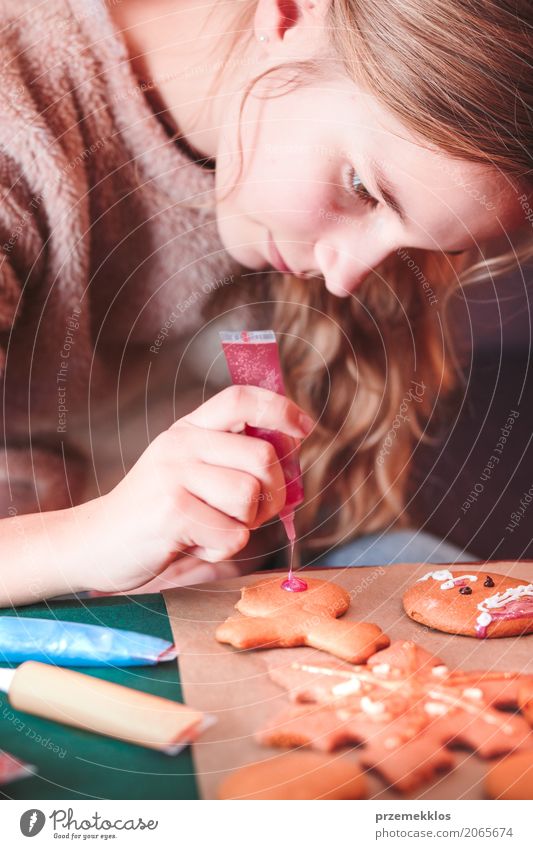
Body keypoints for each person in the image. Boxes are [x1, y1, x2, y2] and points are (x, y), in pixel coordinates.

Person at [0, 0, 530, 605]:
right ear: (289, 16)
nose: (344, 279)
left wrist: (217, 537)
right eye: (362, 189)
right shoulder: (18, 122)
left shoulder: (279, 167)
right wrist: (90, 539)